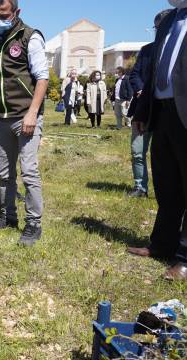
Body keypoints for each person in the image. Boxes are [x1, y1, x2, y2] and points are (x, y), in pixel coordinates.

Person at [0, 0, 49, 246]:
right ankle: (8, 216)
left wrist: (32, 113)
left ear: (17, 12)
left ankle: (33, 223)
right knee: (5, 174)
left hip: (26, 116)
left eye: (4, 14)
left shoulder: (30, 37)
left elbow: (42, 78)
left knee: (29, 172)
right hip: (2, 116)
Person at [128, 1, 187, 281]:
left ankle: (185, 258)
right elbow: (153, 72)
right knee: (166, 182)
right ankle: (163, 244)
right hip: (164, 112)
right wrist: (142, 110)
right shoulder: (167, 21)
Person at [126, 9, 172, 198]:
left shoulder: (177, 50)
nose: (158, 30)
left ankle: (170, 191)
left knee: (167, 155)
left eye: (161, 26)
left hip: (166, 110)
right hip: (143, 110)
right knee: (138, 151)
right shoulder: (146, 50)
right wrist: (142, 91)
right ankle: (140, 186)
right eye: (156, 27)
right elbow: (135, 74)